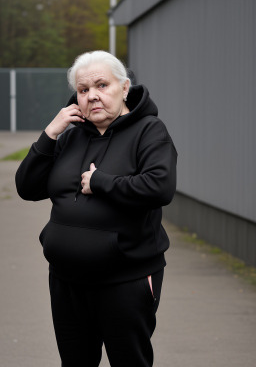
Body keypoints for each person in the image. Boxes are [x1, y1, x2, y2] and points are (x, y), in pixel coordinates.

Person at [15, 50, 177, 367]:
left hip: (125, 280)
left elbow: (160, 187)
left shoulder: (149, 131)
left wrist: (102, 182)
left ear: (125, 87)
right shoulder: (69, 137)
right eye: (84, 89)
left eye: (102, 85)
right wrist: (50, 134)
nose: (93, 96)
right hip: (66, 280)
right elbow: (27, 187)